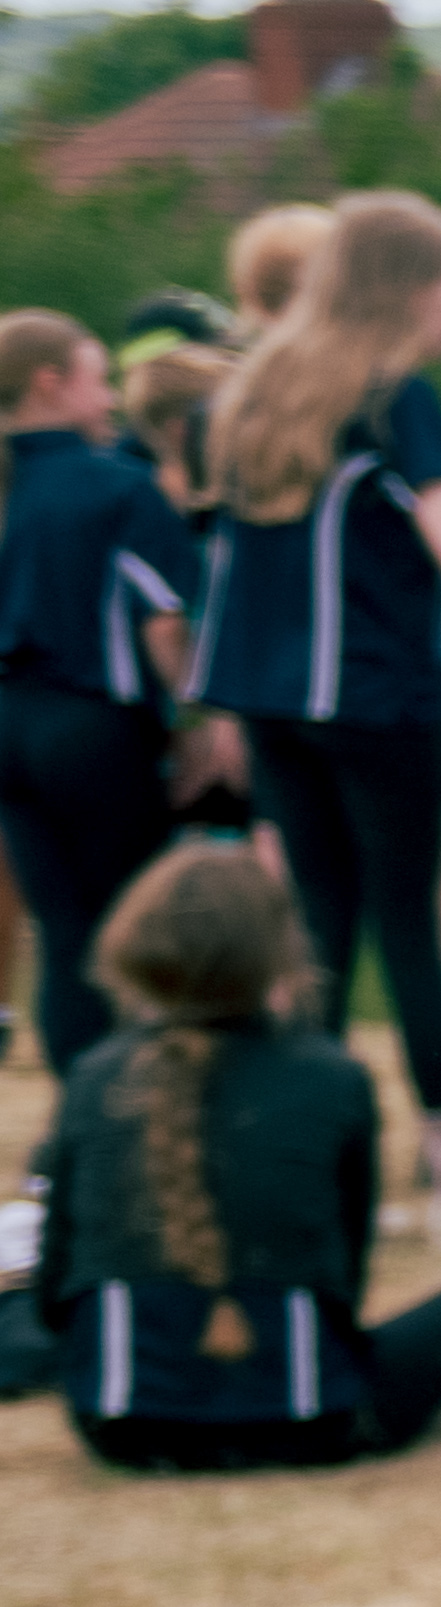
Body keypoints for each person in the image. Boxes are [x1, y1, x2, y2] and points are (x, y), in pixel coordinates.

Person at [189, 192, 441, 1228]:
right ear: (408, 289)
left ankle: (323, 1174)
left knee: (314, 933)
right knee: (411, 927)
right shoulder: (396, 397)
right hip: (383, 696)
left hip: (274, 704)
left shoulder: (251, 393)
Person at [34, 848, 441, 1468]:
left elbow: (53, 1288)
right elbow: (342, 1284)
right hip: (309, 1419)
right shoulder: (332, 1077)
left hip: (118, 1425)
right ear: (276, 949)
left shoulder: (94, 1078)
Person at [2, 310, 209, 1071]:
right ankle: (136, 1106)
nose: (114, 399)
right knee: (132, 928)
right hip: (93, 728)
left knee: (62, 936)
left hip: (10, 730)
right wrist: (198, 722)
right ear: (51, 383)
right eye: (98, 379)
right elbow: (163, 627)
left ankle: (73, 1128)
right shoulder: (118, 489)